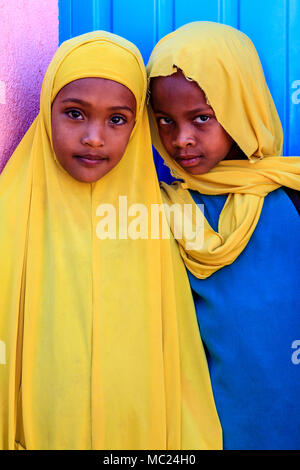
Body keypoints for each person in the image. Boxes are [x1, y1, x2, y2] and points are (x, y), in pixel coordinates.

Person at [0, 30, 221, 450]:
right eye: (75, 114)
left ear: (138, 128)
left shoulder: (160, 221)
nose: (94, 137)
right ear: (47, 112)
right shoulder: (9, 217)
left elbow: (182, 360)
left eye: (117, 119)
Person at [147, 21, 300, 450]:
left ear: (243, 106)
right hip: (210, 426)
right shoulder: (163, 209)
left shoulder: (291, 197)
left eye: (202, 118)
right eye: (165, 121)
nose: (181, 140)